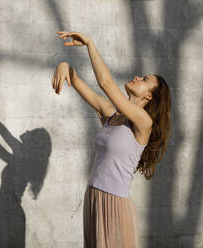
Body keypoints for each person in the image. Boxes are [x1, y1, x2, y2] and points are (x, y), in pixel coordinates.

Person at [51, 31, 172, 248]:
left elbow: (106, 84)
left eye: (144, 80)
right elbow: (76, 80)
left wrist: (89, 43)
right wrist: (63, 65)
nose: (137, 77)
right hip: (94, 195)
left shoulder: (143, 123)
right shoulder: (111, 114)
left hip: (114, 202)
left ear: (148, 96)